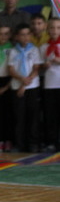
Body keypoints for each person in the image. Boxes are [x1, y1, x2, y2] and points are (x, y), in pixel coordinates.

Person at [8, 23, 42, 152]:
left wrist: (26, 82)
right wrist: (22, 81)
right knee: (19, 116)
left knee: (33, 116)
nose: (26, 37)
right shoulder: (13, 51)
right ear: (17, 37)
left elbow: (36, 68)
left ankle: (33, 143)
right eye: (22, 35)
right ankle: (19, 143)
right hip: (17, 86)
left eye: (28, 34)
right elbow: (11, 69)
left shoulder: (34, 50)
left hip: (32, 87)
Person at [40, 18, 60, 151]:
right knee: (51, 115)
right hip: (49, 84)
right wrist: (44, 65)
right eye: (52, 27)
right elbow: (39, 66)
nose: (54, 30)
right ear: (47, 29)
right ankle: (52, 141)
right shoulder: (43, 47)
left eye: (58, 28)